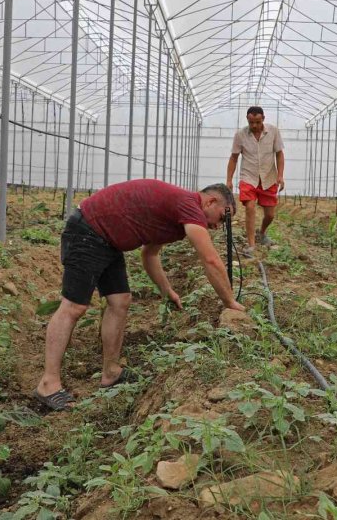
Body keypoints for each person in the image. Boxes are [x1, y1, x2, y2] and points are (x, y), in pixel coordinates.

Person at [34, 179, 245, 411]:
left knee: (120, 301)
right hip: (88, 230)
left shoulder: (179, 218)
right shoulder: (189, 205)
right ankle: (48, 384)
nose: (218, 227)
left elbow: (149, 254)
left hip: (108, 241)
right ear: (211, 201)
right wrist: (229, 301)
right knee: (74, 306)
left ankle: (111, 372)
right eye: (222, 218)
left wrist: (167, 289)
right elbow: (211, 259)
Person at [226, 106, 285, 258]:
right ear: (248, 120)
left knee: (270, 215)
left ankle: (262, 233)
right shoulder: (240, 135)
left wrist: (280, 175)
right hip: (248, 177)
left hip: (268, 177)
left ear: (263, 119)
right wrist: (229, 180)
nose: (254, 126)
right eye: (251, 122)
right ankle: (251, 244)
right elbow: (234, 158)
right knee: (250, 207)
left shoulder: (273, 132)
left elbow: (279, 154)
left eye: (257, 122)